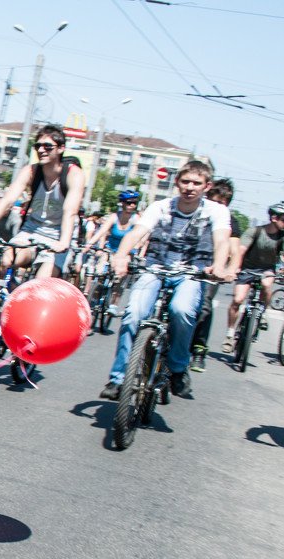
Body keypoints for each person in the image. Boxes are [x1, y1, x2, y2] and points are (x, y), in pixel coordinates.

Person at [99, 160, 232, 401]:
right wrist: (120, 256)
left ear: (206, 186)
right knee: (133, 314)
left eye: (196, 183)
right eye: (185, 181)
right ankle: (118, 379)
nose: (190, 187)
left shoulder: (216, 210)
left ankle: (178, 369)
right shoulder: (160, 206)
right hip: (155, 269)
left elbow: (222, 240)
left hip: (192, 274)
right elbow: (137, 232)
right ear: (176, 182)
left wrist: (220, 266)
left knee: (182, 310)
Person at [0, 125, 86, 282]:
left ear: (60, 148)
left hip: (59, 236)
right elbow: (8, 200)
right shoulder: (30, 171)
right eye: (37, 146)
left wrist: (64, 242)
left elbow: (70, 211)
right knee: (6, 261)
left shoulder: (74, 174)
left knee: (41, 281)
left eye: (47, 146)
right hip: (31, 232)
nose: (41, 150)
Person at [221, 201, 284, 354]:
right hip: (248, 268)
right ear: (274, 218)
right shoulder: (254, 231)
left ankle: (263, 314)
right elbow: (241, 250)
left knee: (267, 285)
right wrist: (233, 269)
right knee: (238, 300)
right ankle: (229, 335)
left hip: (267, 269)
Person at [189, 179, 242, 371]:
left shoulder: (230, 221)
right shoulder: (195, 211)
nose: (219, 206)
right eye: (216, 201)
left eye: (224, 203)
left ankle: (198, 349)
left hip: (212, 269)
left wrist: (232, 269)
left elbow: (234, 249)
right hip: (187, 264)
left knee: (204, 305)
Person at [86, 188, 142, 317]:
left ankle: (113, 305)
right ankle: (94, 299)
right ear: (122, 203)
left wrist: (136, 248)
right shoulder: (114, 216)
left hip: (127, 253)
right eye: (128, 202)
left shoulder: (136, 218)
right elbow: (102, 231)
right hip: (110, 249)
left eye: (134, 203)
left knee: (119, 279)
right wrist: (90, 244)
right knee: (100, 273)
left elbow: (139, 236)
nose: (132, 205)